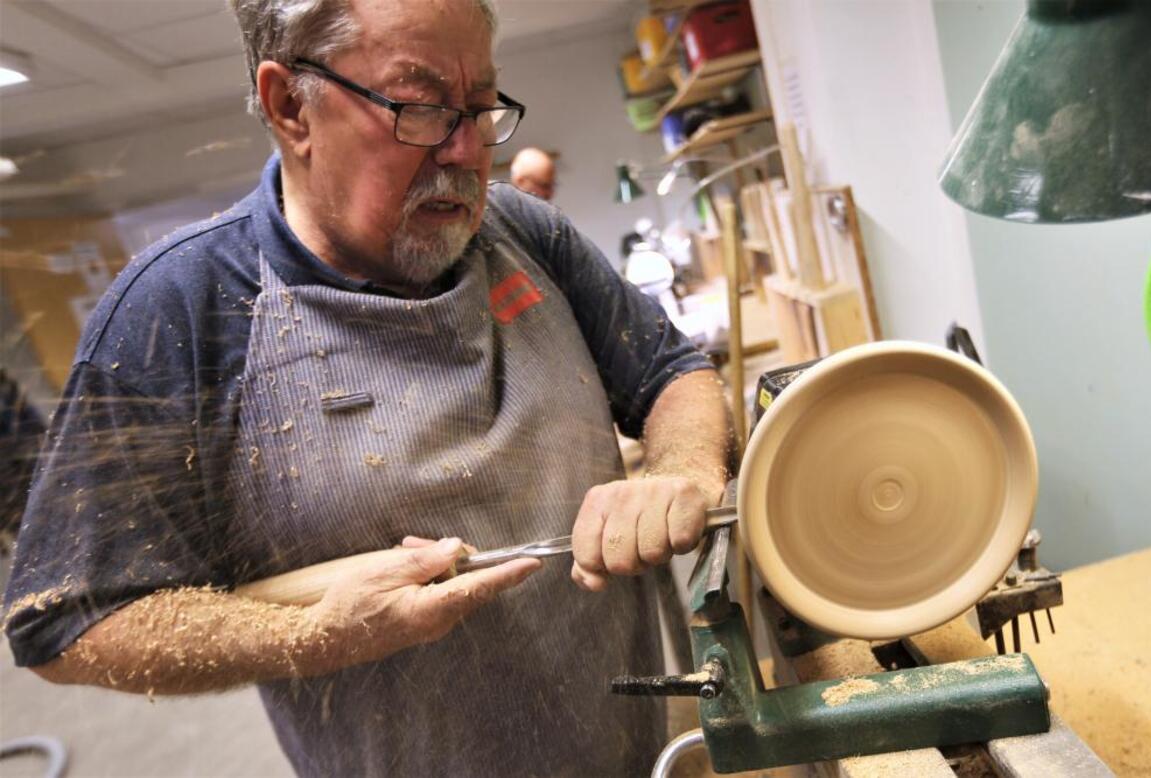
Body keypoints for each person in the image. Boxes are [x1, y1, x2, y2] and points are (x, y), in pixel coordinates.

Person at [1, 0, 731, 775]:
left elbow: (670, 373)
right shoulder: (183, 306)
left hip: (644, 751)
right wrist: (314, 637)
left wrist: (683, 470)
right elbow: (69, 621)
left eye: (481, 108)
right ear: (291, 106)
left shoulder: (525, 232)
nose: (465, 151)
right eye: (420, 109)